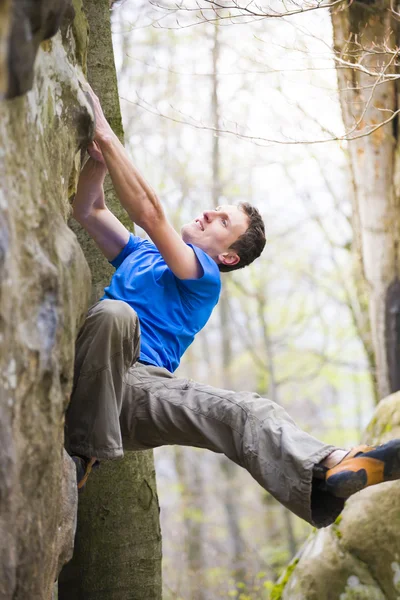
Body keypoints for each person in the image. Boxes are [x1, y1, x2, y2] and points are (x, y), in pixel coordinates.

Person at [65, 87, 400, 529]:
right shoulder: (137, 254)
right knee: (115, 315)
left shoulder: (201, 276)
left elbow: (149, 213)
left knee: (244, 410)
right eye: (216, 210)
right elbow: (88, 207)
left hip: (141, 392)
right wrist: (98, 159)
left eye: (223, 222)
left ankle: (331, 467)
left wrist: (108, 136)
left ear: (227, 257)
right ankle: (81, 451)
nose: (209, 214)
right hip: (92, 367)